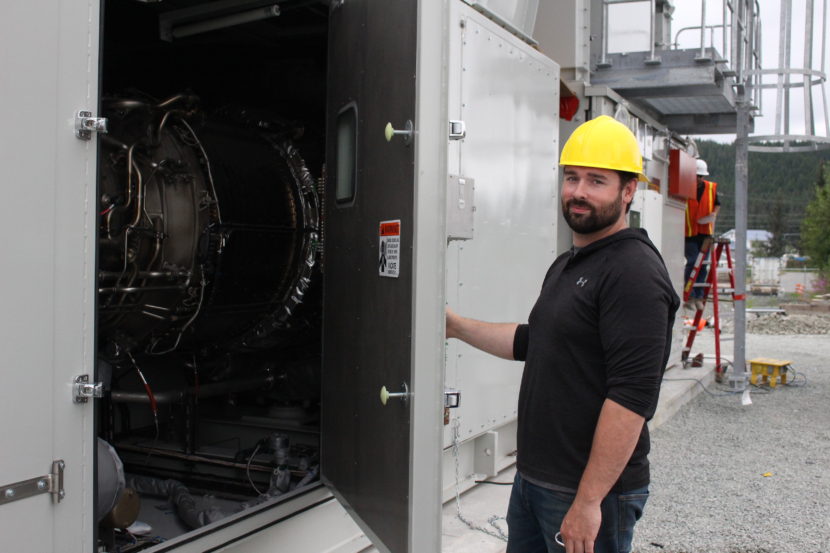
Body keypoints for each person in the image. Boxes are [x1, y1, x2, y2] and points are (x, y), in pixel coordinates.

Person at [445, 115, 679, 553]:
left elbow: (632, 398)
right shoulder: (572, 262)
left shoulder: (633, 273)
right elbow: (536, 343)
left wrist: (589, 501)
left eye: (596, 181)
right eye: (571, 178)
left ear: (628, 191)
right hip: (535, 481)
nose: (578, 192)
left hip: (587, 491)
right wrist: (455, 327)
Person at [683, 159, 720, 310]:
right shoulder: (684, 187)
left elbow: (717, 204)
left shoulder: (710, 188)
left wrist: (713, 215)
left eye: (700, 176)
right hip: (689, 232)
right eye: (696, 175)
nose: (698, 179)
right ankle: (689, 295)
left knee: (703, 266)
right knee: (692, 262)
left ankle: (699, 296)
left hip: (705, 232)